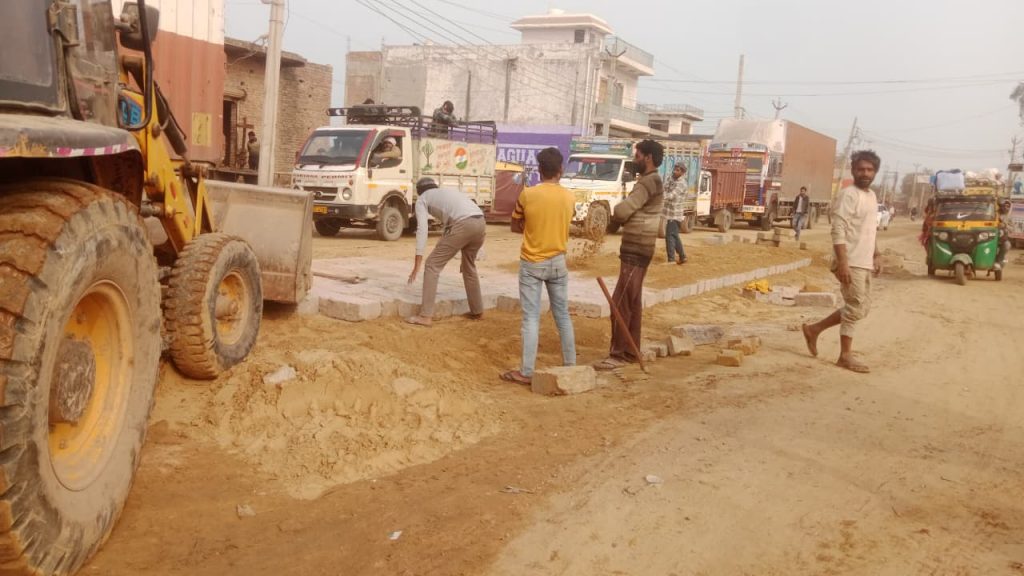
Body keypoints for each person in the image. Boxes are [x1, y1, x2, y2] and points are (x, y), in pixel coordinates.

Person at [499, 147, 577, 385]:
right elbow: (568, 221)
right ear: (560, 169)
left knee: (531, 318)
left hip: (532, 262)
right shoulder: (570, 197)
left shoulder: (527, 195)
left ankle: (527, 371)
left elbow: (515, 225)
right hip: (558, 262)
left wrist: (531, 227)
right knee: (562, 315)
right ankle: (571, 364)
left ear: (540, 170)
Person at [802, 150, 882, 374]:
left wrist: (877, 254)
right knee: (855, 306)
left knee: (860, 307)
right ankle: (845, 355)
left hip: (864, 261)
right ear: (853, 170)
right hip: (851, 261)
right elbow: (838, 230)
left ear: (875, 172)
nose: (865, 173)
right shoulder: (848, 195)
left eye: (869, 169)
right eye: (861, 169)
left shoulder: (872, 196)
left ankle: (814, 329)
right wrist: (843, 263)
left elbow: (870, 229)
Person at [594, 140, 665, 370]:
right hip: (641, 248)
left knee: (621, 301)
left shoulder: (648, 182)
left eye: (638, 156)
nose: (635, 160)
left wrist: (614, 219)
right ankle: (631, 351)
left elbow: (623, 210)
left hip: (636, 248)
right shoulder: (652, 180)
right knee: (632, 302)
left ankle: (618, 354)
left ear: (648, 158)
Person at [406, 177, 486, 327]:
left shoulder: (422, 199)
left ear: (419, 191)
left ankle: (425, 316)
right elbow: (454, 224)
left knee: (432, 265)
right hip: (480, 222)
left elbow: (422, 230)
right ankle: (478, 311)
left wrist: (417, 265)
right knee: (469, 267)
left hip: (463, 224)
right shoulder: (447, 192)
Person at [662, 164, 689, 264]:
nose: (675, 171)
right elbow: (664, 187)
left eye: (678, 170)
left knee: (669, 236)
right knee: (674, 235)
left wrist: (659, 196)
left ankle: (671, 259)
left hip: (675, 214)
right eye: (675, 169)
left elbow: (672, 195)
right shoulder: (671, 178)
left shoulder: (682, 183)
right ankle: (683, 257)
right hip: (669, 212)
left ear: (682, 172)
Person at [996, 200, 1012, 270]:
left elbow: (1012, 229)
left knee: (1007, 245)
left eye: (1008, 207)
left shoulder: (1009, 217)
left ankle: (998, 261)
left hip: (1002, 238)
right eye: (1004, 206)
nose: (1006, 208)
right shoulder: (994, 214)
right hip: (991, 236)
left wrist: (1005, 225)